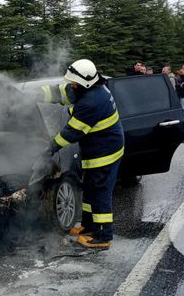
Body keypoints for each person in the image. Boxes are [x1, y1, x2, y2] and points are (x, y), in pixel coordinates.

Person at [41, 59, 125, 249]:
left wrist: (49, 149)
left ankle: (103, 236)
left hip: (105, 153)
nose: (72, 85)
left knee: (100, 193)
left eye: (74, 82)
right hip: (96, 148)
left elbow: (71, 133)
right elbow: (64, 92)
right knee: (89, 188)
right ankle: (88, 227)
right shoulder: (89, 87)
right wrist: (35, 94)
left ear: (84, 82)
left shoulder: (92, 101)